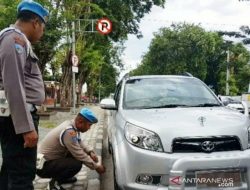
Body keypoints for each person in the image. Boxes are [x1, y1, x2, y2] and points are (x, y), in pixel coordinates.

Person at [0, 0, 49, 189]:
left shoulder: (16, 40)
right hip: (17, 120)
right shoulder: (15, 39)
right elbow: (14, 84)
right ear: (36, 22)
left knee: (11, 171)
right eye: (42, 27)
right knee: (22, 174)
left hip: (14, 118)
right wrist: (26, 127)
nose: (42, 33)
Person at [37, 108, 106, 190]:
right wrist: (96, 167)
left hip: (49, 162)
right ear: (80, 122)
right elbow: (79, 153)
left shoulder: (72, 127)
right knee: (76, 164)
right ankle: (54, 185)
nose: (89, 128)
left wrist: (90, 151)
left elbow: (78, 141)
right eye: (89, 125)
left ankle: (63, 178)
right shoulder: (69, 131)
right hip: (43, 167)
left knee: (76, 156)